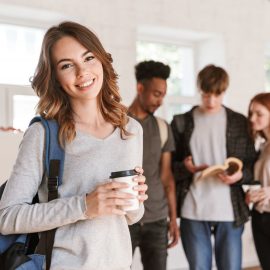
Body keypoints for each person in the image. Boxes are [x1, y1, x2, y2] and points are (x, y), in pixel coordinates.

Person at [0, 21, 148, 270]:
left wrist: (136, 199)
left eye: (88, 58)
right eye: (67, 65)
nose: (82, 72)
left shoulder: (131, 129)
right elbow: (7, 217)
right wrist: (84, 206)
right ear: (55, 77)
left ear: (102, 60)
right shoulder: (43, 134)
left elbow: (133, 216)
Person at [171, 64, 257, 270]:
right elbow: (169, 168)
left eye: (217, 95)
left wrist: (239, 176)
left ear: (224, 91)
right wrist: (186, 168)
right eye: (206, 94)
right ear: (199, 90)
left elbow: (252, 165)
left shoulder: (239, 122)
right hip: (193, 208)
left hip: (230, 211)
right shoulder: (182, 122)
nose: (211, 101)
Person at [128, 60, 179, 270]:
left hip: (157, 219)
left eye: (163, 95)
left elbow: (166, 177)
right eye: (156, 94)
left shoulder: (162, 127)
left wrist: (173, 219)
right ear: (140, 88)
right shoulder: (116, 122)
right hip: (124, 220)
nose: (160, 101)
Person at [247, 93, 270, 270]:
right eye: (251, 113)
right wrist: (250, 195)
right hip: (259, 216)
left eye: (259, 114)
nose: (252, 118)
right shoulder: (263, 146)